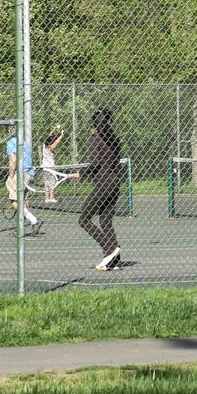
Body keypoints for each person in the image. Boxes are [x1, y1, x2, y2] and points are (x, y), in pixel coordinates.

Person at [78, 107, 125, 271]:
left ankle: (110, 250)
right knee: (105, 221)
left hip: (104, 184)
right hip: (115, 183)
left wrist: (80, 173)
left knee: (83, 219)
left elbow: (96, 164)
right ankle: (115, 261)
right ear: (110, 122)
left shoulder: (95, 138)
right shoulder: (115, 139)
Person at [4, 133, 42, 234]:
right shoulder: (26, 144)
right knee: (23, 202)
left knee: (14, 202)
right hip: (29, 174)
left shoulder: (11, 142)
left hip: (19, 174)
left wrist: (11, 175)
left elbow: (13, 160)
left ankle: (34, 220)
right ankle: (20, 229)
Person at [40, 128, 78, 205]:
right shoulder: (50, 148)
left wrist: (54, 129)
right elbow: (57, 142)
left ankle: (47, 198)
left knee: (47, 183)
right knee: (52, 182)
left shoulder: (44, 145)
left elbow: (49, 135)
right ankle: (52, 198)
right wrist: (62, 135)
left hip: (44, 167)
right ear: (51, 143)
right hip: (50, 168)